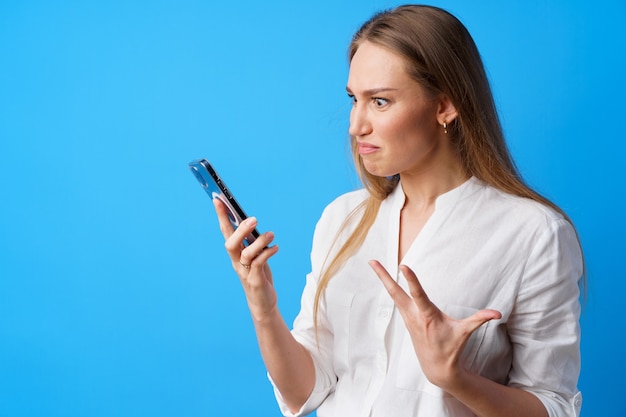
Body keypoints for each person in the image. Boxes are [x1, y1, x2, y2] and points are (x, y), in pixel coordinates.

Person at [212, 4, 584, 417]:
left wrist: (455, 378)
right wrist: (262, 306)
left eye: (381, 101)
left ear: (445, 106)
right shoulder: (342, 218)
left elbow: (554, 405)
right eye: (354, 99)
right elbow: (305, 393)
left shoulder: (534, 234)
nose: (356, 125)